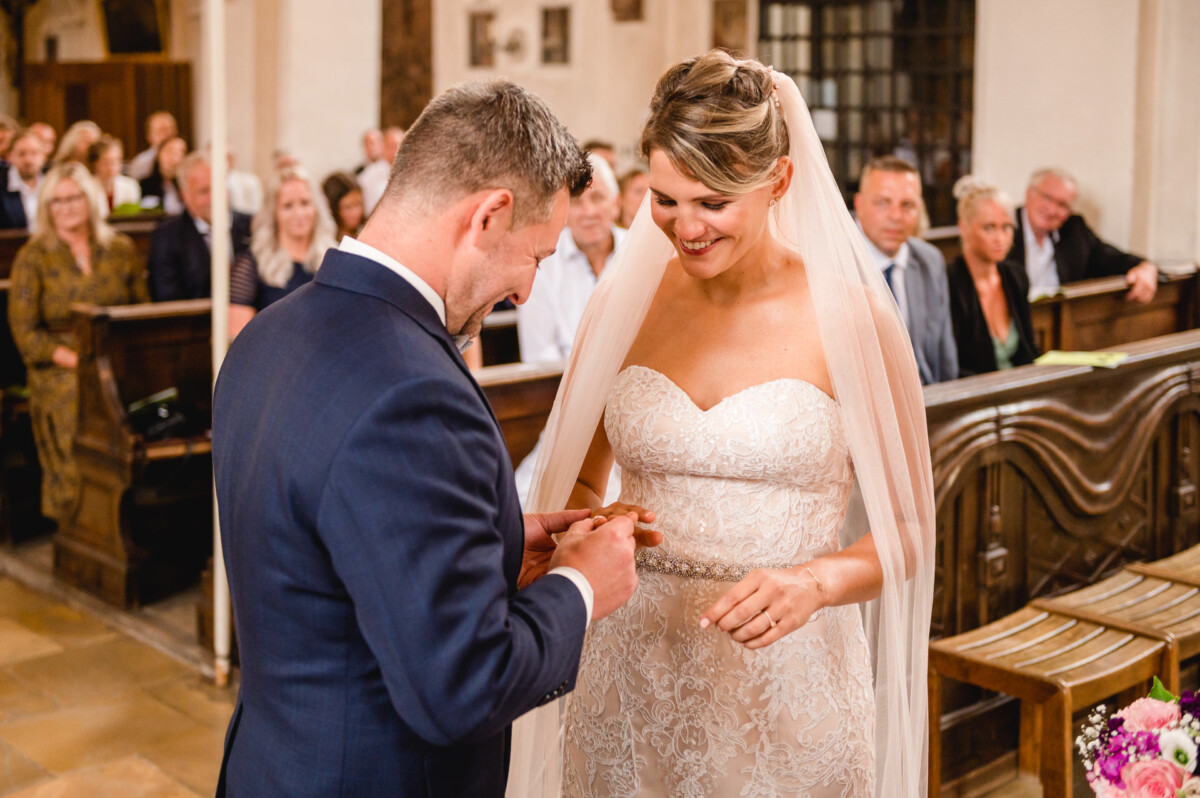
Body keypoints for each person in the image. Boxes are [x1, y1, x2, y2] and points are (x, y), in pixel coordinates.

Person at [509, 50, 936, 798]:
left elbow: (909, 531)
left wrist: (817, 580)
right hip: (630, 675)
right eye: (666, 201)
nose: (685, 227)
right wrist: (593, 525)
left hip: (786, 689)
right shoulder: (624, 303)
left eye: (713, 203)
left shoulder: (852, 319)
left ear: (778, 182)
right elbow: (580, 474)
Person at [212, 78, 649, 797]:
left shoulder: (267, 335)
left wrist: (500, 541)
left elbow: (333, 560)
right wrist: (580, 586)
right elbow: (461, 687)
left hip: (275, 762)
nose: (525, 293)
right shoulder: (415, 393)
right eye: (535, 256)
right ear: (489, 216)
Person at [7, 162, 149, 524]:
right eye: (57, 201)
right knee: (79, 400)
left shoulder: (120, 248)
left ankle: (138, 511)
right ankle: (80, 518)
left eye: (74, 198)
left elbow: (142, 311)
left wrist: (117, 359)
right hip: (59, 367)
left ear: (90, 200)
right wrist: (78, 361)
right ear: (46, 207)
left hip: (117, 358)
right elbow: (25, 333)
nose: (67, 207)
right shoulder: (33, 257)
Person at [513, 152, 624, 504]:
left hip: (632, 407)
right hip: (568, 410)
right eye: (577, 202)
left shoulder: (642, 253)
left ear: (616, 203)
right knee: (532, 500)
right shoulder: (543, 260)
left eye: (598, 198)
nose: (588, 212)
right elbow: (540, 356)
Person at [853, 155, 957, 384]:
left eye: (907, 205)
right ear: (859, 205)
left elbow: (944, 357)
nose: (896, 216)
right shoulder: (833, 263)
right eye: (882, 203)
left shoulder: (930, 261)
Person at [1010, 167, 1158, 302]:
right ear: (1029, 194)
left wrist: (1145, 267)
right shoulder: (1005, 227)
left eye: (1062, 205)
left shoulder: (1074, 230)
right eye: (1047, 198)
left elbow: (1112, 259)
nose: (1053, 210)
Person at [228, 167, 336, 337]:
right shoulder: (250, 266)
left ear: (317, 207)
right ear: (273, 213)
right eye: (288, 206)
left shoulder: (334, 260)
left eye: (305, 203)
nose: (299, 213)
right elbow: (238, 341)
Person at [946, 176, 1038, 376]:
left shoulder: (1015, 276)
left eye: (1006, 227)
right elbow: (950, 364)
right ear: (964, 227)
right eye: (989, 228)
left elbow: (1028, 350)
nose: (1000, 238)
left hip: (1018, 388)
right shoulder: (949, 281)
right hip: (973, 395)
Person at [145, 151, 253, 301]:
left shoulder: (252, 226)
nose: (214, 198)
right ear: (185, 196)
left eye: (219, 188)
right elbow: (167, 299)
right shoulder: (167, 237)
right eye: (204, 191)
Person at [0, 128, 48, 230]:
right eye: (22, 154)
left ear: (44, 156)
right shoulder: (2, 186)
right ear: (10, 156)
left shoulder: (53, 184)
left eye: (34, 153)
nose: (28, 160)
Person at [87, 136, 141, 214]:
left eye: (115, 161)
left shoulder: (130, 186)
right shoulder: (86, 187)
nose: (111, 167)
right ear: (95, 163)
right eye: (106, 162)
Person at [359, 126, 405, 215]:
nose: (397, 150)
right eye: (392, 146)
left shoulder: (415, 172)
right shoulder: (369, 175)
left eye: (401, 145)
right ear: (383, 147)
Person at [138, 136, 187, 214]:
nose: (175, 158)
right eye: (170, 151)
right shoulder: (144, 185)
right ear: (158, 154)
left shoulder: (186, 186)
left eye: (180, 152)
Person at [126, 111, 178, 181]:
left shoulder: (185, 160)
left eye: (170, 130)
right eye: (161, 131)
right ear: (149, 136)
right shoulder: (141, 162)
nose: (167, 135)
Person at [320, 170, 365, 241]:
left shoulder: (367, 231)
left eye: (358, 204)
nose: (356, 212)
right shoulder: (327, 242)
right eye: (348, 207)